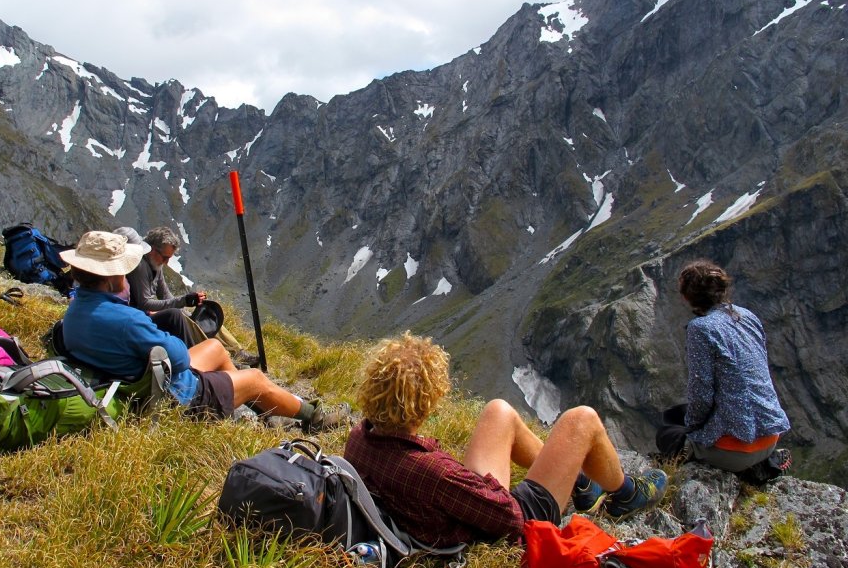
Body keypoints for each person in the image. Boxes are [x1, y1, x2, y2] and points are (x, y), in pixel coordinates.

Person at [344, 332, 667, 548]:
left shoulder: (360, 437)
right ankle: (627, 494)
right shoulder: (437, 473)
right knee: (581, 419)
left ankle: (581, 484)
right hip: (509, 521)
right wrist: (486, 489)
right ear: (428, 402)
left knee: (498, 410)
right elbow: (510, 520)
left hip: (441, 505)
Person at [59, 230, 349, 431]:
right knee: (255, 378)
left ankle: (260, 408)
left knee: (216, 348)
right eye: (122, 271)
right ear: (111, 277)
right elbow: (180, 358)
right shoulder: (124, 320)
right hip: (177, 398)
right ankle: (315, 417)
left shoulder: (74, 313)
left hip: (141, 381)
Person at [676, 259, 791, 476]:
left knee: (670, 432)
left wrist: (690, 429)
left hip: (737, 450)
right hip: (771, 437)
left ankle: (749, 469)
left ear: (687, 296)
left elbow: (701, 390)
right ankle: (765, 462)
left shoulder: (700, 329)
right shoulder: (748, 316)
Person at [125, 225, 259, 367]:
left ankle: (238, 353)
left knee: (205, 313)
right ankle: (222, 359)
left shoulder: (155, 264)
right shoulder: (140, 266)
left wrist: (188, 306)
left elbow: (165, 295)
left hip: (151, 315)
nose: (166, 262)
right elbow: (144, 303)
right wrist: (182, 302)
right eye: (164, 257)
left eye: (169, 258)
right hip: (142, 318)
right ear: (152, 249)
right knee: (187, 322)